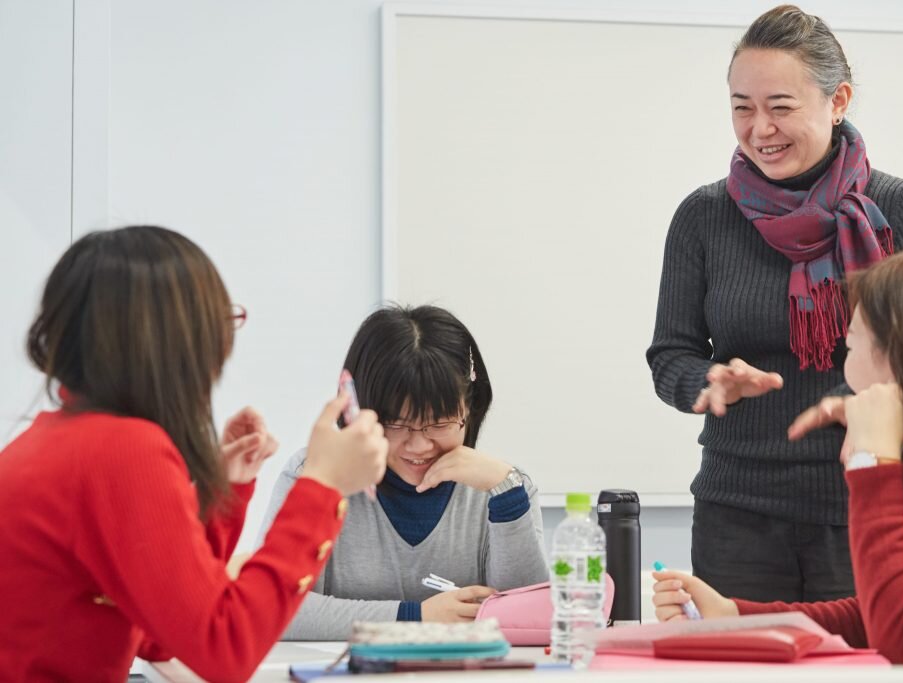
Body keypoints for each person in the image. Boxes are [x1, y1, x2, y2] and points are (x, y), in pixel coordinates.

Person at [0, 226, 388, 682]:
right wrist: (322, 487)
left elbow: (162, 632)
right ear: (178, 340)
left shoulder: (52, 440)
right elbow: (225, 649)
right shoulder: (121, 451)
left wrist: (221, 493)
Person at [646, 4, 903, 602]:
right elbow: (669, 354)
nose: (760, 129)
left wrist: (834, 405)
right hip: (736, 510)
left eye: (781, 107)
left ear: (838, 102)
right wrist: (710, 381)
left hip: (865, 498)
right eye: (742, 108)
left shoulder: (896, 208)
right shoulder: (703, 216)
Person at [652, 247, 903, 682]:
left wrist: (874, 461)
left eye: (849, 346)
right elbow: (882, 614)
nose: (846, 374)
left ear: (901, 357)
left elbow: (900, 634)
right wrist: (734, 615)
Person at [259, 304, 549, 639]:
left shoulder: (504, 487)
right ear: (361, 411)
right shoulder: (316, 475)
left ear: (470, 408)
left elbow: (531, 621)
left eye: (438, 424)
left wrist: (508, 495)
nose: (418, 446)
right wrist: (416, 616)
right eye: (397, 424)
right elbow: (275, 611)